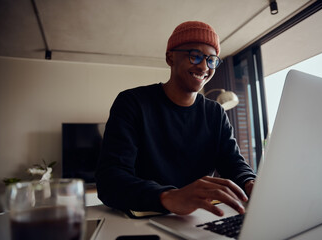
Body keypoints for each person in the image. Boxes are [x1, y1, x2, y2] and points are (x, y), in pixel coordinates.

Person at [95, 21, 256, 217]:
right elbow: (110, 180)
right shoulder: (132, 103)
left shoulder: (215, 113)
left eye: (212, 60)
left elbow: (233, 163)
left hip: (201, 218)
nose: (205, 66)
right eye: (195, 56)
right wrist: (168, 196)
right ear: (170, 57)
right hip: (147, 219)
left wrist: (250, 182)